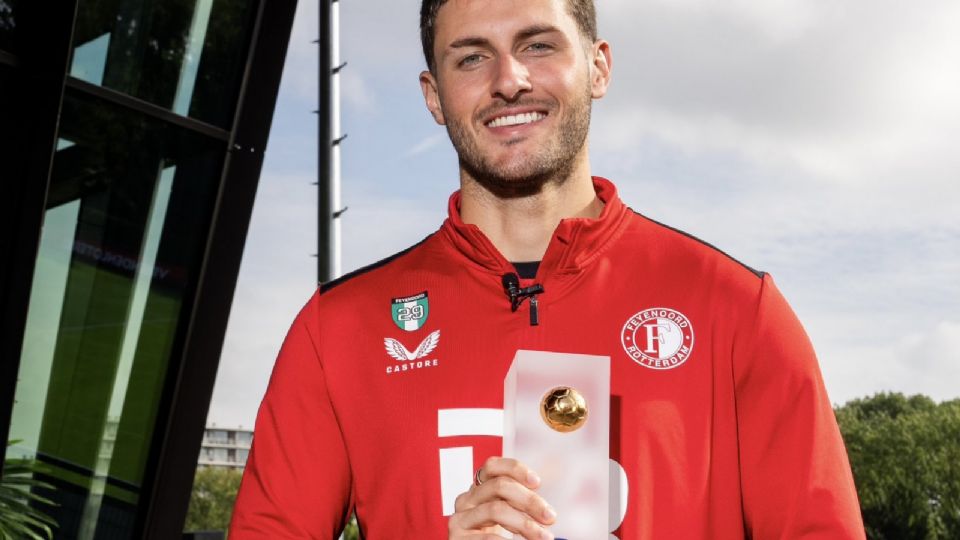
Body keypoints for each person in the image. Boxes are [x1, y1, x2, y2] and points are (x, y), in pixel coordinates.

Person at [229, 0, 866, 538]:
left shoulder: (736, 309)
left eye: (538, 45)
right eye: (471, 57)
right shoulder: (336, 331)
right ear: (433, 95)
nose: (509, 80)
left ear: (598, 66)